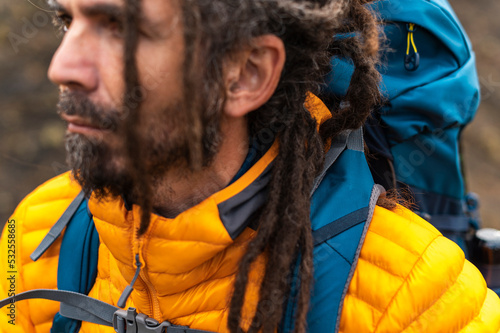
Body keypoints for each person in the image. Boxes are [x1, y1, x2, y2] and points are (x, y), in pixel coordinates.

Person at [0, 0, 499, 332]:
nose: (61, 66)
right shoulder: (37, 231)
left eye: (121, 29)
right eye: (69, 21)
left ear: (246, 75)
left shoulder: (416, 301)